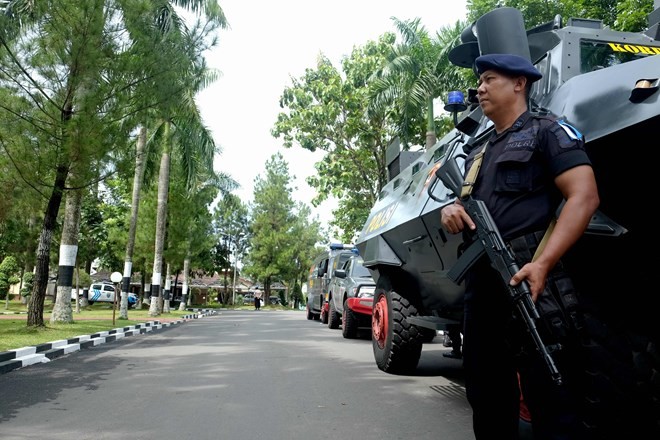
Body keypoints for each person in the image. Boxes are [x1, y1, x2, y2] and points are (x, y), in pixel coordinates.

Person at [440, 53, 600, 439]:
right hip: (482, 285)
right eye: (479, 81)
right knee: (487, 394)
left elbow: (584, 197)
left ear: (519, 83)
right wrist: (452, 211)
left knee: (551, 395)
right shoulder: (478, 151)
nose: (479, 88)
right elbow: (467, 203)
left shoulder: (549, 130)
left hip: (530, 278)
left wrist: (543, 264)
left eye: (489, 79)